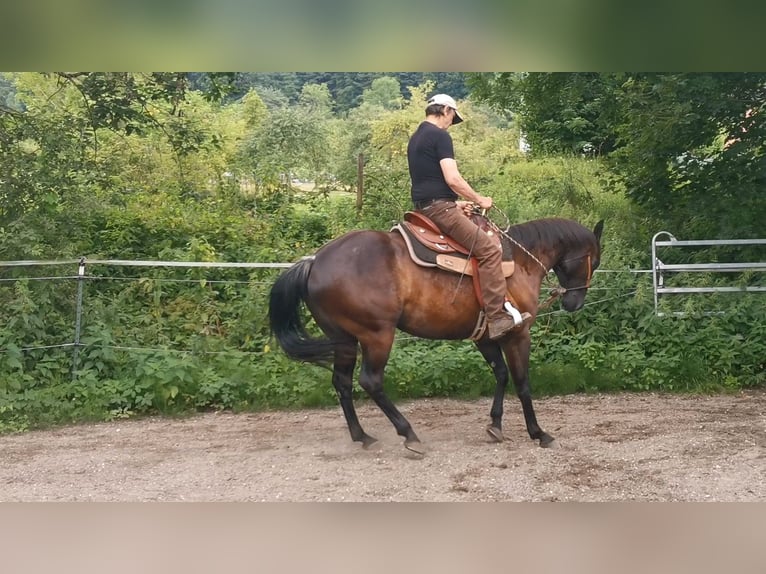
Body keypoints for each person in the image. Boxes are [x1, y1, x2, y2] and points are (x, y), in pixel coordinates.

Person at [407, 94, 531, 340]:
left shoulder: (416, 137)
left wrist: (456, 203)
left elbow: (430, 180)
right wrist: (478, 200)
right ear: (445, 110)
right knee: (489, 250)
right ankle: (497, 318)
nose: (451, 123)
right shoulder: (440, 136)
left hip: (425, 208)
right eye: (452, 117)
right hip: (440, 210)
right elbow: (452, 178)